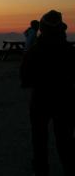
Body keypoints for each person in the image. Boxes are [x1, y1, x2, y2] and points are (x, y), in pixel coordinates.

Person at [20, 10, 75, 176]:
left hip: (40, 100)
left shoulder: (34, 51)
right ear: (62, 30)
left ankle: (41, 169)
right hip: (65, 100)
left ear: (42, 29)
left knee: (39, 138)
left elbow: (25, 79)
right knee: (65, 140)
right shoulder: (69, 51)